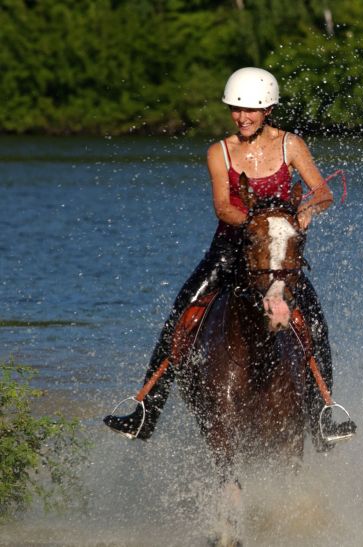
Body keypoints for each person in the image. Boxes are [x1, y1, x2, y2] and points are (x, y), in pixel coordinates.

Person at [104, 67, 341, 451]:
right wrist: (258, 225)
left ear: (268, 110)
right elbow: (222, 207)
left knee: (314, 321)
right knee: (182, 314)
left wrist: (308, 209)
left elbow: (323, 192)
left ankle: (323, 415)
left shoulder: (290, 145)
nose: (242, 117)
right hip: (230, 252)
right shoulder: (220, 152)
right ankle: (145, 409)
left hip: (277, 258)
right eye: (236, 109)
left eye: (251, 110)